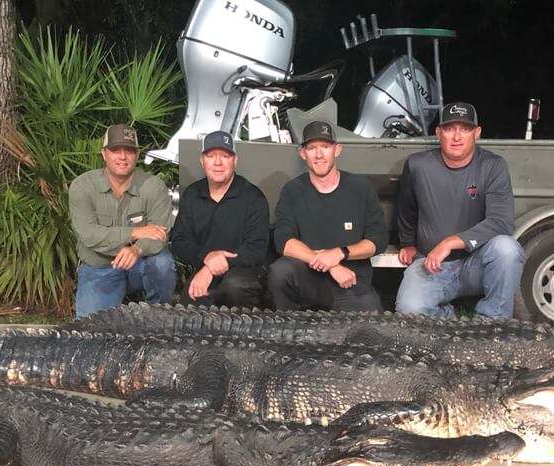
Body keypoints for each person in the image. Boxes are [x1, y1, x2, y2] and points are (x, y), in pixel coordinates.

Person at [394, 101, 524, 318]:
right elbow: (407, 208)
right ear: (438, 133)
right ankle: (451, 319)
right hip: (432, 263)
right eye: (449, 129)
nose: (457, 137)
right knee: (409, 310)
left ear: (477, 133)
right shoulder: (417, 165)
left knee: (507, 249)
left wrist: (449, 242)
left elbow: (502, 222)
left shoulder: (493, 165)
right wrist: (407, 242)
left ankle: (492, 322)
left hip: (476, 263)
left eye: (465, 129)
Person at [269, 121, 387, 311]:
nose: (318, 155)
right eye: (311, 148)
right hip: (307, 278)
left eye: (325, 147)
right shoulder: (292, 190)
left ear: (337, 150)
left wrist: (340, 253)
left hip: (349, 280)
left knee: (371, 322)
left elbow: (378, 240)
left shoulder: (360, 188)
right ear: (302, 153)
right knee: (280, 272)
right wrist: (331, 265)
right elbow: (284, 241)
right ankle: (289, 329)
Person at [68, 124, 176, 318]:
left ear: (137, 154)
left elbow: (160, 235)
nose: (123, 157)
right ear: (104, 154)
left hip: (140, 264)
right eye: (115, 150)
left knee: (162, 264)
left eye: (129, 151)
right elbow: (90, 235)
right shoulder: (82, 186)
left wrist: (137, 249)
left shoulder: (154, 186)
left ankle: (159, 317)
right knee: (88, 331)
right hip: (100, 267)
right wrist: (134, 233)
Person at [170, 131, 271, 307]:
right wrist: (207, 258)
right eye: (211, 156)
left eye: (225, 156)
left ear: (235, 160)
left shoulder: (253, 197)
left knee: (234, 286)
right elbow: (179, 241)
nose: (218, 163)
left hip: (245, 273)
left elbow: (256, 250)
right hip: (206, 269)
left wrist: (212, 266)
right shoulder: (193, 194)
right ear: (202, 161)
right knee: (189, 302)